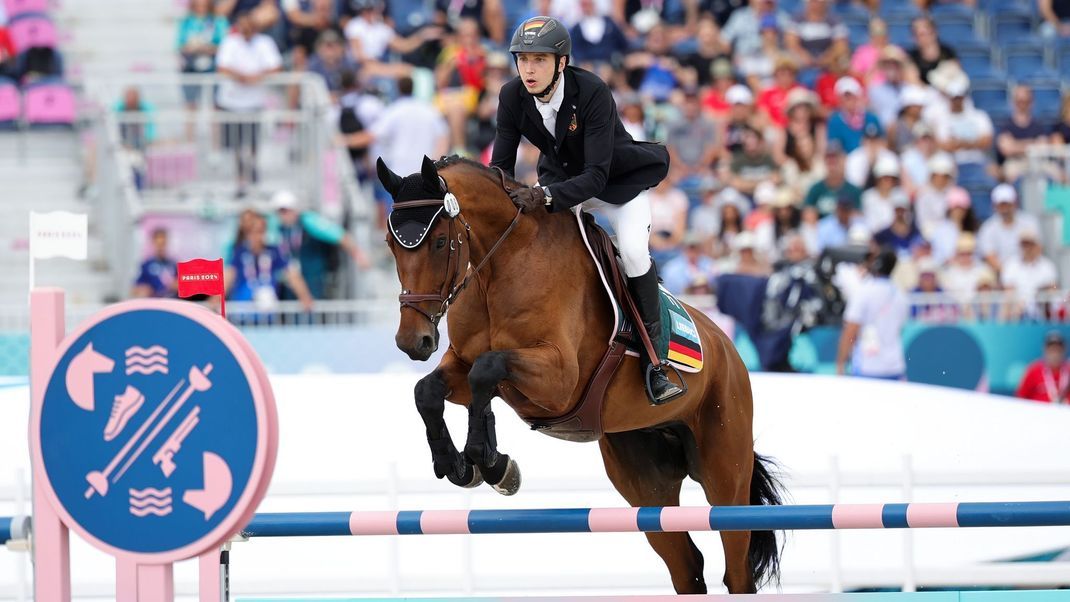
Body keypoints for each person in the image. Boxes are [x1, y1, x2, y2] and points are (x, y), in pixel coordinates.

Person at [490, 16, 683, 404]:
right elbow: (500, 168)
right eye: (523, 59)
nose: (528, 69)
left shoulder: (591, 90)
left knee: (631, 251)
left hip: (615, 187)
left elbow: (596, 177)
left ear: (561, 62)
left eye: (539, 60)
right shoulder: (512, 96)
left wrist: (543, 198)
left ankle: (656, 361)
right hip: (560, 185)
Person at [215, 10, 283, 196]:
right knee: (235, 143)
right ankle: (239, 178)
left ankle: (251, 171)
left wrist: (256, 77)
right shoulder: (230, 42)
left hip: (254, 101)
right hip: (231, 101)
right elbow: (222, 67)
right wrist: (242, 77)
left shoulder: (264, 43)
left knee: (253, 142)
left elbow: (275, 66)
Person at [271, 190, 372, 299]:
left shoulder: (309, 221)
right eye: (280, 212)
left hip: (315, 279)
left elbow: (339, 235)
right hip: (293, 283)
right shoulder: (280, 228)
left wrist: (358, 255)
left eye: (285, 211)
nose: (283, 215)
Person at [836, 248, 908, 379]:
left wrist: (840, 364)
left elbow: (850, 331)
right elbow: (900, 328)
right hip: (894, 365)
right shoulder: (900, 295)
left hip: (867, 366)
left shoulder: (863, 292)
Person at [1016, 331, 1070, 403]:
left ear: (1064, 350)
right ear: (1045, 350)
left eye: (1058, 350)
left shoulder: (1068, 370)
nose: (1055, 354)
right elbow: (1020, 398)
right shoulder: (1033, 370)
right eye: (1051, 350)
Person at [131, 228, 178, 298]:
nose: (161, 247)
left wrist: (178, 286)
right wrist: (143, 290)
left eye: (163, 243)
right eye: (159, 244)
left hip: (172, 302)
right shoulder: (146, 265)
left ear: (167, 243)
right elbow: (134, 289)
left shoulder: (174, 264)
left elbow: (183, 285)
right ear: (153, 243)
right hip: (154, 303)